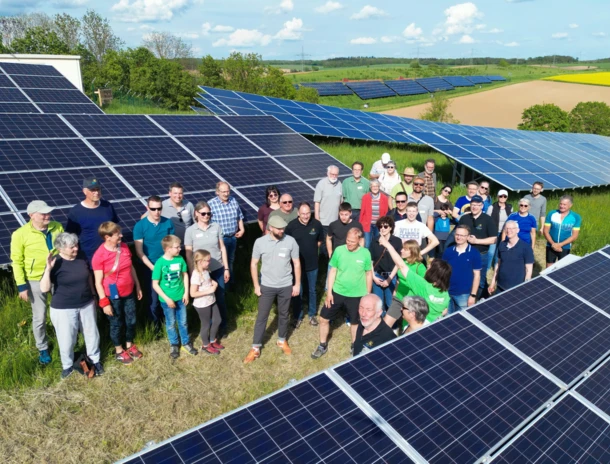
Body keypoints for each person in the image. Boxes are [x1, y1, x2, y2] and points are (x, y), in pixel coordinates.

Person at [39, 233, 102, 379]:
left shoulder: (81, 258)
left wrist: (93, 296)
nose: (76, 248)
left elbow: (89, 278)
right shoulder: (56, 263)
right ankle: (67, 366)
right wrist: (48, 269)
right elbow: (44, 288)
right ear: (61, 248)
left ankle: (95, 360)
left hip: (86, 304)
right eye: (72, 247)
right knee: (67, 339)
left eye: (76, 245)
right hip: (63, 308)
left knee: (92, 334)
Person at [10, 200, 64, 365]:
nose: (48, 216)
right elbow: (17, 261)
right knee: (39, 317)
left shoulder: (57, 227)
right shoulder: (20, 234)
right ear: (32, 216)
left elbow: (64, 248)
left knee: (61, 313)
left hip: (57, 275)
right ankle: (43, 348)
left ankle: (66, 341)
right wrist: (21, 286)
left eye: (48, 213)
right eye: (43, 214)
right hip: (35, 279)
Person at [244, 215, 300, 363]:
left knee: (284, 314)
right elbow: (254, 264)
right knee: (262, 316)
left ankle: (281, 340)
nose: (282, 230)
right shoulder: (260, 242)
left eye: (283, 228)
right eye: (279, 228)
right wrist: (256, 285)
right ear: (270, 228)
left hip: (286, 285)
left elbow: (297, 264)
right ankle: (255, 347)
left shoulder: (290, 241)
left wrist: (297, 284)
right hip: (266, 286)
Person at [312, 228, 372, 359]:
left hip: (357, 295)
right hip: (337, 292)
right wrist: (329, 293)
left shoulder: (365, 253)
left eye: (352, 241)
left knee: (355, 322)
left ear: (359, 240)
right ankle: (322, 345)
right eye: (347, 240)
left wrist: (367, 294)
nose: (349, 243)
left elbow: (368, 274)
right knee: (323, 318)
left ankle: (354, 346)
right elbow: (332, 271)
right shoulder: (339, 251)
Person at [92, 222, 143, 365]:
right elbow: (98, 282)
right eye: (117, 234)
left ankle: (129, 344)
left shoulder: (125, 247)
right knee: (116, 323)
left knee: (131, 320)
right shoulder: (99, 256)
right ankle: (119, 350)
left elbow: (131, 267)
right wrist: (104, 302)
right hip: (112, 295)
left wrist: (137, 285)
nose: (121, 235)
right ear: (107, 237)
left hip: (129, 291)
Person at [379, 233, 451, 327]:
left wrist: (387, 244)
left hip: (412, 327)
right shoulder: (445, 295)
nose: (427, 267)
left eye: (430, 267)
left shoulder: (423, 285)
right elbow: (444, 311)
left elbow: (401, 265)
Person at [184, 201, 229, 338]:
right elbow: (188, 253)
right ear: (196, 214)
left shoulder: (216, 226)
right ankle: (208, 328)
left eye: (209, 213)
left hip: (217, 268)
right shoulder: (190, 231)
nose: (206, 216)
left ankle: (222, 325)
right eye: (203, 213)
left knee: (219, 297)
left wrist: (226, 268)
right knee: (205, 299)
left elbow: (222, 247)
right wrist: (192, 271)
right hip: (201, 273)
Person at [152, 235, 197, 359]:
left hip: (180, 297)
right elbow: (155, 284)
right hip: (167, 300)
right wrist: (166, 298)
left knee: (183, 322)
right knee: (171, 323)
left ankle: (186, 343)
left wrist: (186, 293)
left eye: (179, 246)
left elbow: (185, 275)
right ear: (167, 249)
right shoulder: (160, 263)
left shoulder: (180, 259)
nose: (179, 249)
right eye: (177, 247)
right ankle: (174, 344)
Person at [134, 196, 175, 326]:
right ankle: (155, 328)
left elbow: (172, 246)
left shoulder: (168, 223)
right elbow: (139, 252)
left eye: (159, 209)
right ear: (147, 208)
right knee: (153, 300)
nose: (157, 212)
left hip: (167, 265)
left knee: (168, 295)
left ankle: (168, 324)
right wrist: (154, 268)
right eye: (153, 209)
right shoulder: (140, 226)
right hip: (149, 267)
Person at [285, 202, 324, 328]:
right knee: (298, 291)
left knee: (312, 290)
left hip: (313, 265)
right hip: (297, 266)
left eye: (308, 213)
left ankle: (312, 314)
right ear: (298, 213)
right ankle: (297, 316)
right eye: (303, 214)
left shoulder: (316, 224)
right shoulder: (291, 226)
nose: (306, 216)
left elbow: (319, 241)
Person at [66, 177, 119, 262]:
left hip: (110, 254)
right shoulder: (76, 211)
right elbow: (71, 235)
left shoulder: (107, 206)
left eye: (98, 189)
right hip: (89, 256)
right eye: (92, 190)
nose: (96, 193)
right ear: (84, 191)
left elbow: (115, 228)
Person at [458, 195, 497, 298]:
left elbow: (494, 239)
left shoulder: (488, 219)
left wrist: (477, 241)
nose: (475, 207)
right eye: (473, 204)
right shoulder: (464, 218)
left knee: (480, 280)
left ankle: (479, 301)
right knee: (464, 277)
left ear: (482, 206)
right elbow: (457, 234)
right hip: (465, 253)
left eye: (477, 205)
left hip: (481, 254)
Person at [209, 182, 245, 284]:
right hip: (220, 239)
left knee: (230, 261)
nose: (226, 194)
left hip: (233, 237)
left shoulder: (234, 201)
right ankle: (221, 285)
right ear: (217, 192)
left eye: (228, 191)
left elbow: (239, 217)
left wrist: (242, 229)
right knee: (220, 262)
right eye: (223, 191)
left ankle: (230, 284)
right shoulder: (211, 204)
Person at [190, 249, 223, 355]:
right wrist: (210, 290)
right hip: (202, 304)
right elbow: (193, 293)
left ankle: (212, 340)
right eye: (208, 260)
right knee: (206, 325)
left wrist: (212, 282)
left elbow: (206, 281)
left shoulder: (206, 271)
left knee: (217, 320)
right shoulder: (196, 275)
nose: (210, 262)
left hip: (211, 300)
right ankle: (205, 345)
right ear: (200, 262)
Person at [442, 224, 481, 313]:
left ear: (467, 237)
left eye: (462, 235)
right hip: (447, 292)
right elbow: (442, 271)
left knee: (462, 322)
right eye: (457, 235)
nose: (459, 237)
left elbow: (477, 276)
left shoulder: (474, 253)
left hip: (464, 294)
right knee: (446, 321)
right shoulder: (448, 251)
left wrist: (473, 295)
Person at [489, 220, 534, 294]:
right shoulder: (502, 245)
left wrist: (525, 287)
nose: (509, 231)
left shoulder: (525, 247)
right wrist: (493, 283)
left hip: (517, 289)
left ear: (517, 230)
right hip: (500, 286)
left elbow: (529, 270)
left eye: (512, 228)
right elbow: (498, 265)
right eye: (507, 228)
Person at [369, 216, 402, 311]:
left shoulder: (397, 241)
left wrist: (390, 278)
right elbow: (371, 261)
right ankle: (381, 324)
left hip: (391, 276)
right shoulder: (374, 241)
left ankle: (392, 325)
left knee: (390, 303)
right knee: (379, 304)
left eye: (385, 226)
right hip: (377, 275)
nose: (382, 228)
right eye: (380, 226)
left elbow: (398, 262)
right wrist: (373, 277)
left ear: (391, 228)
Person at [544, 195, 581, 268]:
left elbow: (574, 236)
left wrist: (560, 245)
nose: (562, 206)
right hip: (551, 245)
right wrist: (553, 244)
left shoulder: (576, 217)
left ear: (570, 205)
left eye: (564, 204)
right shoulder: (552, 213)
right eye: (560, 204)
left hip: (565, 246)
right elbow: (546, 231)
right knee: (548, 268)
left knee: (562, 269)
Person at [314, 165, 343, 256]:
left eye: (336, 175)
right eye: (332, 174)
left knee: (334, 244)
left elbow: (341, 202)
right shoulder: (321, 184)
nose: (334, 176)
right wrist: (317, 218)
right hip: (323, 221)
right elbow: (317, 202)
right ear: (327, 173)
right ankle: (324, 262)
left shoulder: (339, 184)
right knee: (323, 245)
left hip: (335, 221)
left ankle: (331, 263)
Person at [359, 180, 390, 248]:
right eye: (373, 186)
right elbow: (362, 212)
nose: (375, 188)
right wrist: (360, 224)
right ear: (370, 187)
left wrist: (384, 224)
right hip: (367, 224)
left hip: (379, 224)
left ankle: (375, 258)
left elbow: (385, 212)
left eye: (376, 186)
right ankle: (367, 258)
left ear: (379, 187)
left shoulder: (384, 198)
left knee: (377, 242)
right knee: (367, 244)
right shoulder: (365, 197)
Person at [486, 189, 512, 269]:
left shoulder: (510, 208)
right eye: (501, 196)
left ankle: (496, 267)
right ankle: (487, 268)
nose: (502, 198)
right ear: (498, 197)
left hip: (505, 233)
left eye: (505, 196)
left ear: (507, 197)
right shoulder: (491, 207)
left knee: (499, 251)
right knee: (491, 252)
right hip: (493, 232)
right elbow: (487, 220)